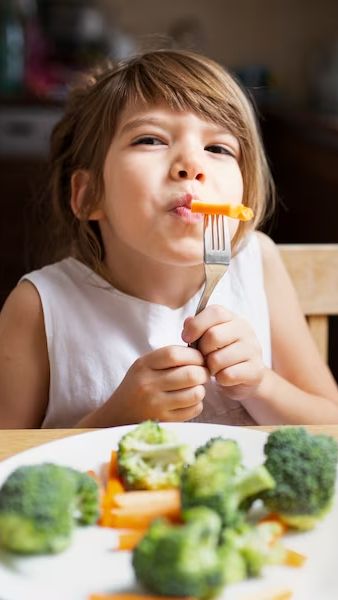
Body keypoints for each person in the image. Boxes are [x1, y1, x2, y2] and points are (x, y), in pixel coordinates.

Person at [1, 49, 338, 428]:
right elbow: (8, 462)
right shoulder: (40, 307)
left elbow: (331, 424)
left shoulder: (256, 261)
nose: (192, 165)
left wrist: (261, 385)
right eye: (151, 140)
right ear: (89, 194)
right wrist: (114, 419)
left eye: (218, 148)